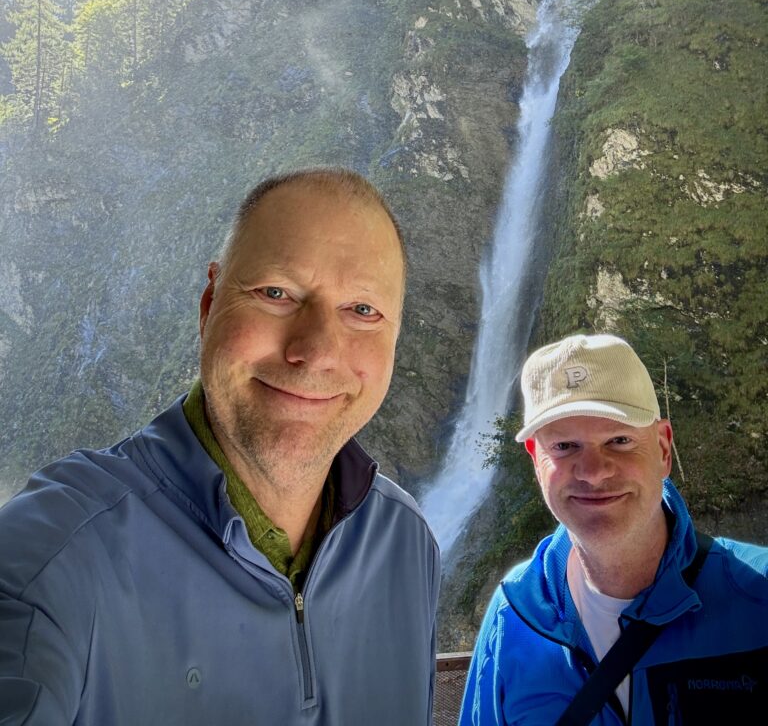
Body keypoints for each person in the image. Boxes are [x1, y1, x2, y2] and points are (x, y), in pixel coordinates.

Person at [0, 168, 440, 725]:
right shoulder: (51, 557)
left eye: (363, 311)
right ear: (209, 304)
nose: (316, 351)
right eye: (276, 293)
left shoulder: (407, 543)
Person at [460, 333, 768, 725]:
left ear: (663, 448)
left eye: (619, 440)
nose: (593, 472)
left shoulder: (758, 594)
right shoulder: (514, 614)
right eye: (565, 446)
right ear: (536, 461)